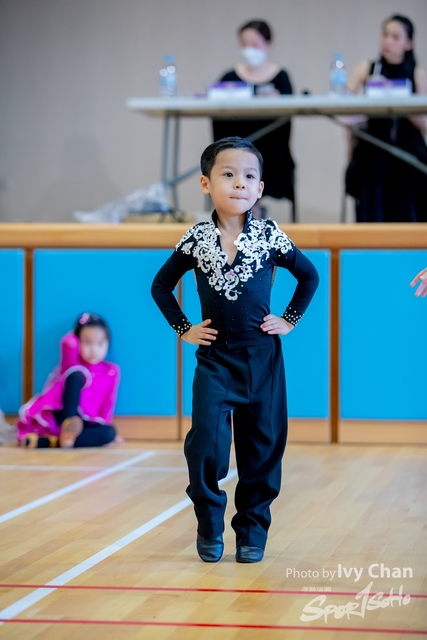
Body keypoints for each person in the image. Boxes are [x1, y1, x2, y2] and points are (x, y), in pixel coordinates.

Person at [151, 137, 319, 563]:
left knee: (262, 446)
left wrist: (289, 319)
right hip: (216, 360)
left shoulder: (269, 235)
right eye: (228, 174)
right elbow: (160, 286)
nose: (239, 183)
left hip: (262, 358)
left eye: (249, 176)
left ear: (260, 188)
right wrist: (184, 328)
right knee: (206, 442)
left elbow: (310, 276)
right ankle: (209, 524)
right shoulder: (196, 239)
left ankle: (252, 532)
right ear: (206, 183)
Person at [345, 14, 427, 223]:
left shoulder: (417, 74)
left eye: (395, 37)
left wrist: (401, 103)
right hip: (373, 147)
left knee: (410, 173)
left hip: (407, 150)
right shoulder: (367, 69)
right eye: (385, 35)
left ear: (409, 43)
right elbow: (343, 103)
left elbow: (425, 123)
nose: (388, 41)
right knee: (371, 168)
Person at [212, 20, 295, 218]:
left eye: (255, 45)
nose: (249, 50)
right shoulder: (229, 77)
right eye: (244, 44)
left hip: (272, 150)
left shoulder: (281, 78)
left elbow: (288, 120)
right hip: (235, 148)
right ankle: (243, 212)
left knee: (262, 157)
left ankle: (253, 211)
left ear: (268, 44)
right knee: (233, 158)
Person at [17, 313, 121, 448]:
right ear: (77, 341)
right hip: (63, 416)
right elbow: (67, 342)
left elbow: (108, 404)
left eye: (100, 343)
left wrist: (107, 429)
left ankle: (52, 442)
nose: (94, 349)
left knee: (109, 433)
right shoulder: (73, 363)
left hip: (86, 423)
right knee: (75, 376)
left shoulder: (112, 370)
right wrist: (74, 335)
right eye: (87, 342)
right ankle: (68, 427)